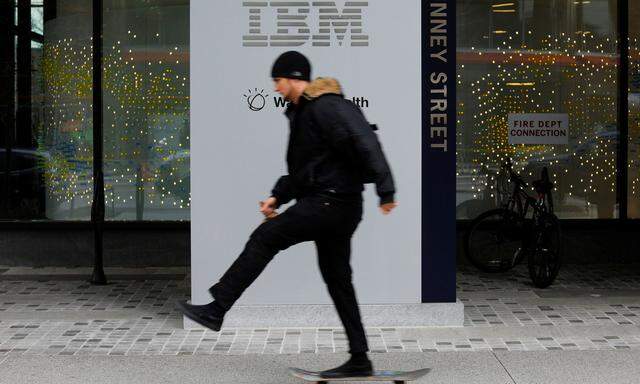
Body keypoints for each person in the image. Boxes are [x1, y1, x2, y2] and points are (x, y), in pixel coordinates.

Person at [177, 51, 397, 378]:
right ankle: (360, 358)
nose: (276, 89)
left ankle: (216, 308)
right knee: (338, 280)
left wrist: (386, 189)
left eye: (278, 82)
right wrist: (276, 197)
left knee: (265, 237)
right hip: (335, 204)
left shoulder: (327, 106)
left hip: (331, 203)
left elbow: (365, 140)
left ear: (295, 78)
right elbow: (304, 170)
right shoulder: (304, 113)